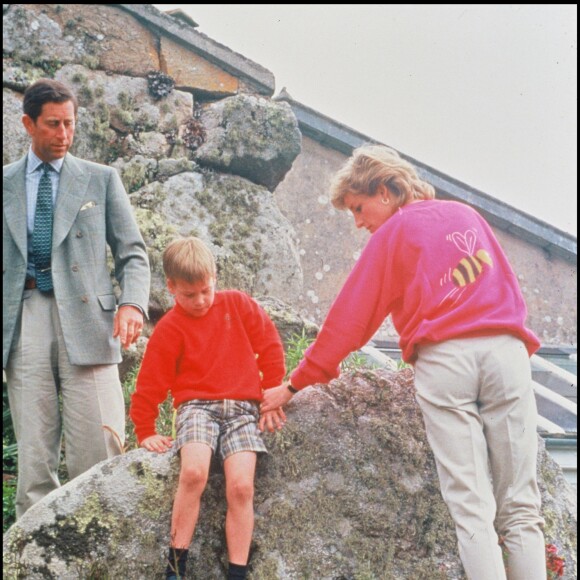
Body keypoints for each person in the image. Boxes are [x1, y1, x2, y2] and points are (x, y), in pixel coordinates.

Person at [262, 145, 547, 580]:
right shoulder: (466, 215)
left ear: (384, 191)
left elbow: (349, 322)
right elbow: (508, 287)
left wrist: (295, 385)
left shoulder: (392, 235)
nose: (358, 221)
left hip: (446, 359)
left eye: (358, 208)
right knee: (522, 507)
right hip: (505, 351)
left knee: (472, 510)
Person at [3, 78, 151, 518]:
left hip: (91, 323)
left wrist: (132, 304)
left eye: (70, 124)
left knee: (100, 450)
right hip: (23, 318)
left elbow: (133, 253)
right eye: (53, 125)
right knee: (34, 457)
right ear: (28, 124)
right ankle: (34, 558)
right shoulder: (4, 183)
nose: (64, 135)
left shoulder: (101, 180)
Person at [130, 236, 286, 580]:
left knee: (242, 486)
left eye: (206, 290)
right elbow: (150, 383)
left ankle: (237, 572)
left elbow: (270, 345)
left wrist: (273, 391)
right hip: (197, 407)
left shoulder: (238, 304)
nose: (200, 301)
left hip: (244, 409)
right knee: (194, 473)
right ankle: (175, 567)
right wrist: (145, 431)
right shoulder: (170, 327)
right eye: (189, 294)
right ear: (170, 286)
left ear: (215, 278)